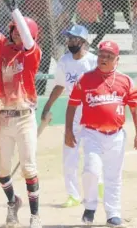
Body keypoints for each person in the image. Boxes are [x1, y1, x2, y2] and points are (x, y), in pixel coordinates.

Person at [65, 41, 137, 227]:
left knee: (113, 175)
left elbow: (136, 109)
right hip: (92, 133)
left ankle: (113, 212)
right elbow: (72, 105)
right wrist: (68, 130)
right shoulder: (85, 79)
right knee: (91, 170)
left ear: (117, 59)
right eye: (101, 55)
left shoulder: (126, 81)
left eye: (109, 56)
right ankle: (90, 206)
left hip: (116, 135)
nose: (104, 59)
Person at [0, 0, 42, 228]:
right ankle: (13, 202)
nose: (15, 34)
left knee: (29, 167)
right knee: (1, 169)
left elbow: (28, 36)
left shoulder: (31, 54)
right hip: (3, 117)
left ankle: (35, 216)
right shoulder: (5, 50)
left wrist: (10, 5)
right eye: (13, 31)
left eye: (19, 32)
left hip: (24, 117)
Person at [40, 25, 101, 208]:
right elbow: (59, 86)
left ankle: (98, 188)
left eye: (74, 39)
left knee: (94, 154)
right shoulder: (65, 61)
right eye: (69, 39)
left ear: (83, 41)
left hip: (92, 112)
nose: (70, 42)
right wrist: (47, 106)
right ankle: (73, 195)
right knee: (69, 156)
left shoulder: (93, 61)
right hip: (73, 114)